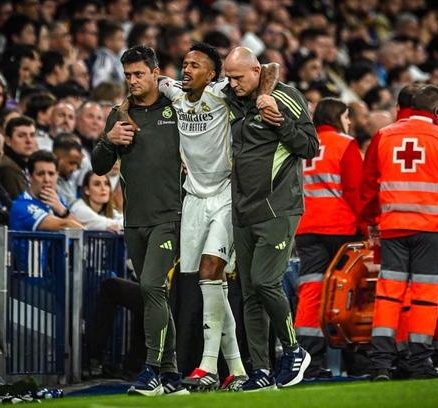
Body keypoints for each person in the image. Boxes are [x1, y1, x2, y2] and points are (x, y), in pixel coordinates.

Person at [158, 42, 279, 391]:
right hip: (194, 198)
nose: (186, 70)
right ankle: (237, 368)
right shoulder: (174, 93)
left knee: (211, 270)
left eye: (195, 65)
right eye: (185, 64)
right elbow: (153, 81)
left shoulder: (221, 92)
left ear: (212, 75)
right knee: (211, 284)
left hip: (226, 194)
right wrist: (121, 109)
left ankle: (207, 365)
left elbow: (270, 67)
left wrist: (264, 96)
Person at [360, 84, 438, 380]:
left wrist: (372, 220)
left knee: (389, 295)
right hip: (431, 230)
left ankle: (381, 364)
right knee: (426, 297)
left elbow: (369, 184)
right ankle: (419, 363)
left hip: (393, 228)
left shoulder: (383, 136)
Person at [223, 46, 319, 391]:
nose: (232, 84)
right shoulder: (231, 98)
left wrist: (279, 121)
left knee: (265, 282)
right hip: (242, 210)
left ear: (255, 71)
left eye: (238, 77)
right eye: (228, 78)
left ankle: (294, 351)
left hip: (278, 208)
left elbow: (310, 147)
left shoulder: (286, 97)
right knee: (250, 292)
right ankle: (260, 370)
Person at [92, 45, 185, 396]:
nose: (132, 81)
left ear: (156, 73)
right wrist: (109, 140)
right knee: (153, 294)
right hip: (134, 220)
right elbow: (98, 167)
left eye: (139, 74)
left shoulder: (177, 109)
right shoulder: (119, 114)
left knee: (150, 287)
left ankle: (151, 370)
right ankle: (172, 374)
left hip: (170, 216)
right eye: (128, 75)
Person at [293, 98, 363, 379]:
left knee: (311, 291)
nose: (349, 122)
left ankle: (308, 362)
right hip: (341, 228)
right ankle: (357, 361)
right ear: (337, 117)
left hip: (307, 228)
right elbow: (355, 191)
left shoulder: (302, 144)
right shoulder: (345, 144)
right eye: (346, 117)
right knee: (349, 292)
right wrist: (368, 225)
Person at [9, 150, 83, 232]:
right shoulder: (21, 206)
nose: (47, 179)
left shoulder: (55, 201)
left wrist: (62, 210)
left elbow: (81, 231)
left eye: (51, 174)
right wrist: (62, 210)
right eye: (40, 174)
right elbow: (67, 226)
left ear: (57, 175)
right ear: (29, 176)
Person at [0, 116, 38, 199]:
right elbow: (23, 204)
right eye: (21, 136)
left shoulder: (24, 165)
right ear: (8, 140)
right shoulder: (8, 169)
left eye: (32, 135)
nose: (29, 141)